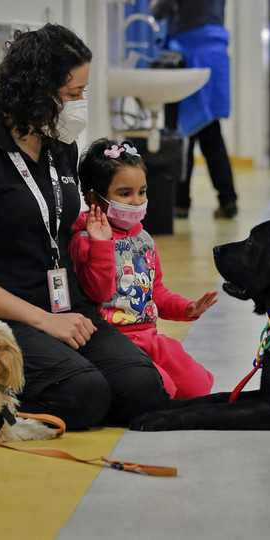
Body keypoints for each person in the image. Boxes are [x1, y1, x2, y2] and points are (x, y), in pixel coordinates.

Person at [0, 24, 169, 430]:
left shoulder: (61, 147)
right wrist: (44, 321)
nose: (79, 103)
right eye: (72, 93)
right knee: (84, 396)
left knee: (143, 389)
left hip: (67, 310)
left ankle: (57, 375)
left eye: (83, 91)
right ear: (36, 91)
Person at [69, 137, 217, 399]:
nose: (137, 201)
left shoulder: (143, 238)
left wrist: (186, 308)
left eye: (142, 191)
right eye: (125, 194)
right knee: (162, 389)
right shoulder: (85, 240)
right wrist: (102, 245)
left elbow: (155, 290)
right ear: (95, 197)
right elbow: (99, 293)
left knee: (198, 385)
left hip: (150, 335)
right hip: (114, 341)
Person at [150, 0, 238, 219]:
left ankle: (180, 203)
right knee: (211, 132)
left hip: (189, 53)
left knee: (180, 132)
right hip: (216, 54)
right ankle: (227, 200)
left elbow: (159, 11)